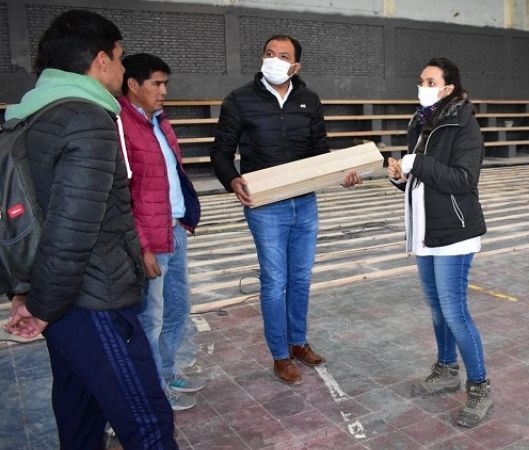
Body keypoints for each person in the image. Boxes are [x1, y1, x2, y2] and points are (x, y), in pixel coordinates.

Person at [2, 10, 177, 448]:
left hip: (58, 300)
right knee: (148, 422)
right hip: (92, 299)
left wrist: (29, 294)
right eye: (119, 59)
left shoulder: (31, 115)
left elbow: (33, 218)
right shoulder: (87, 119)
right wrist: (42, 304)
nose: (121, 69)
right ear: (101, 60)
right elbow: (71, 230)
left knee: (79, 412)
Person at [210, 34, 361, 385]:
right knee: (274, 281)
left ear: (296, 66)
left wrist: (343, 174)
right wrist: (232, 180)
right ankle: (280, 356)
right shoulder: (239, 100)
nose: (274, 60)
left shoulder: (309, 100)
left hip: (305, 203)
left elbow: (320, 150)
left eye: (282, 56)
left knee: (300, 279)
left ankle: (298, 343)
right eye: (269, 54)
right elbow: (220, 152)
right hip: (265, 207)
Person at [387, 57, 492, 427]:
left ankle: (479, 386)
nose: (423, 85)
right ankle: (447, 368)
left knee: (455, 312)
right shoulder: (420, 122)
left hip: (454, 234)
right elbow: (418, 176)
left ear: (448, 89)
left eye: (430, 81)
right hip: (425, 230)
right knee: (437, 309)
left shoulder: (465, 126)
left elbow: (463, 179)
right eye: (421, 80)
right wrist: (400, 176)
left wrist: (417, 163)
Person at [119, 53, 203, 411]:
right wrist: (142, 247)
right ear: (133, 85)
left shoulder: (160, 121)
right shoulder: (121, 125)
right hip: (150, 240)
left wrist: (184, 218)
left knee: (178, 309)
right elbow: (121, 196)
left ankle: (166, 373)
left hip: (174, 231)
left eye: (165, 83)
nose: (163, 90)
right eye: (156, 83)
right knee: (149, 320)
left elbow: (173, 177)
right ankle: (153, 392)